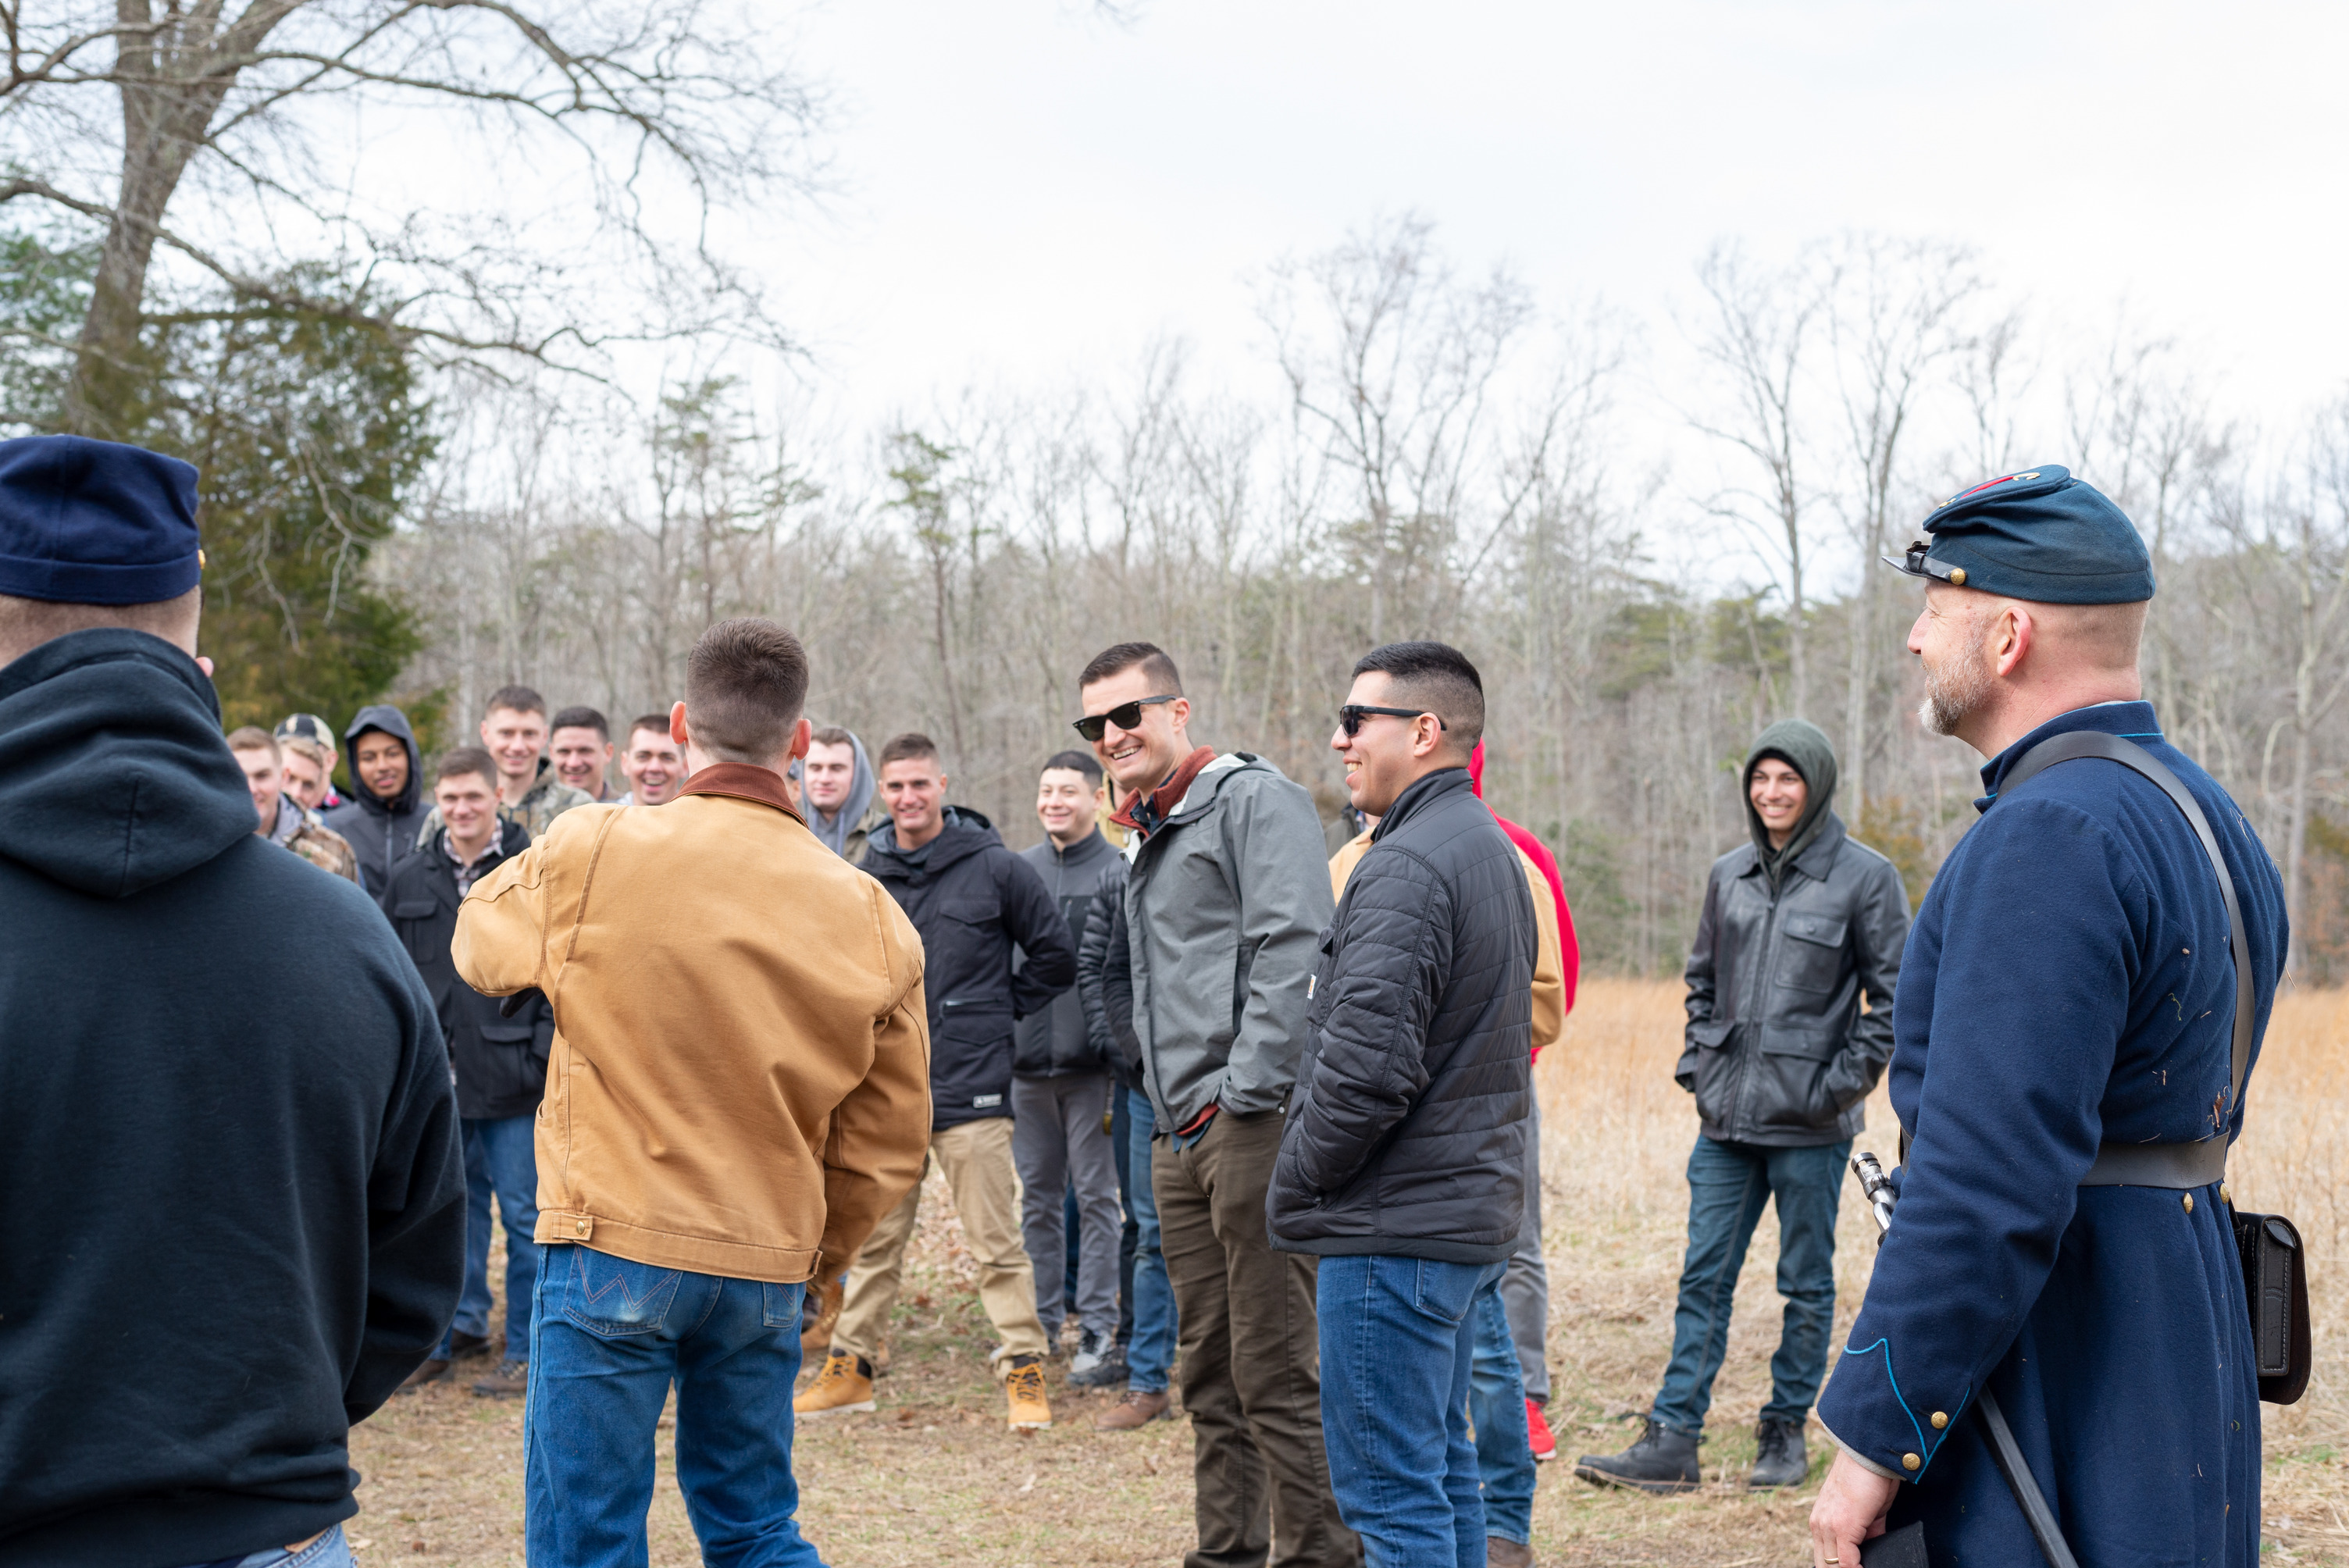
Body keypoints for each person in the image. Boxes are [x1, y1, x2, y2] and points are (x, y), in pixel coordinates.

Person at [0, 433, 463, 1567]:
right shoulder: (342, 935)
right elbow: (412, 1275)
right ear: (194, 653)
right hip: (271, 1524)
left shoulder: (345, 928)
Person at [1809, 469, 2287, 1568]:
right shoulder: (2198, 806)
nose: (1918, 640)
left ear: (2011, 636)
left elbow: (1987, 1182)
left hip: (2073, 1343)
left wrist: (1877, 1437)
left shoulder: (2049, 835)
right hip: (2178, 1312)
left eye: (1936, 609)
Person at [454, 617, 932, 1568]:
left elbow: (478, 947)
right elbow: (886, 1138)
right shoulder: (870, 913)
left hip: (613, 1238)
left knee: (587, 1538)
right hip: (764, 1256)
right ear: (798, 742)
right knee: (757, 1530)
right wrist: (816, 1259)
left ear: (681, 727)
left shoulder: (592, 845)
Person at [1579, 718, 1909, 1496]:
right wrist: (1702, 1065)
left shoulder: (1863, 877)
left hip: (1811, 1126)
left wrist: (1834, 1087)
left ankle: (1783, 1431)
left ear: (1814, 784)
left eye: (1786, 779)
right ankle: (1672, 1437)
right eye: (1759, 779)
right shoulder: (1727, 873)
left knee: (1803, 1283)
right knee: (1702, 1278)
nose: (1770, 793)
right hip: (1725, 1124)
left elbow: (1893, 1000)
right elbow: (1698, 981)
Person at [1081, 640, 1357, 1568]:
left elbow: (1293, 945)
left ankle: (1319, 1551)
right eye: (1095, 725)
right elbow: (1137, 978)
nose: (1112, 735)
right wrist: (1162, 1098)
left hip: (1249, 1127)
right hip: (1176, 1132)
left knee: (1275, 1366)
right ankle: (1226, 1550)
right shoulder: (1143, 830)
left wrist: (1245, 1095)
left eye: (1129, 715)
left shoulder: (1250, 798)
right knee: (1206, 1367)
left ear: (1178, 710)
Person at [1267, 641, 1535, 1568]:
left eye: (1354, 721)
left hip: (1392, 1227)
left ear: (1423, 732)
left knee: (1389, 1499)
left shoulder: (1407, 863)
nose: (1336, 740)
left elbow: (1364, 1073)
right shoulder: (1481, 845)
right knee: (1439, 1470)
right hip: (1446, 1220)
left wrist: (1293, 1180)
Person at [1325, 739, 1567, 1568]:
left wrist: (1451, 1058)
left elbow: (1541, 1000)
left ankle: (1510, 1520)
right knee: (1426, 1444)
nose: (1343, 745)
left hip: (1449, 1151)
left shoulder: (1505, 855)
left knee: (1479, 1361)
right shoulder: (1347, 863)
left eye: (1360, 724)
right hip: (1398, 1168)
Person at [797, 732, 1078, 1431]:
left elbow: (1053, 956)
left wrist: (994, 1012)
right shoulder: (869, 869)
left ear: (943, 784)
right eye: (895, 787)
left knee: (995, 1244)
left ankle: (1023, 1367)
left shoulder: (996, 867)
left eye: (920, 784)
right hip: (887, 1094)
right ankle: (851, 1370)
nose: (907, 798)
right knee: (873, 1242)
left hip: (973, 1090)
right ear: (882, 792)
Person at [383, 748, 551, 1400]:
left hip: (512, 1076)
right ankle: (455, 1332)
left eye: (473, 798)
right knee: (449, 1217)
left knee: (522, 1216)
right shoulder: (408, 878)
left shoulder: (533, 870)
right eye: (450, 799)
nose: (461, 810)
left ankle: (527, 1349)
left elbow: (555, 970)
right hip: (439, 1079)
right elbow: (393, 972)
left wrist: (537, 1057)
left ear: (495, 798)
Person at [1011, 749, 1128, 1384]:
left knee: (1098, 1200)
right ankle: (1041, 1320)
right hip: (1026, 1070)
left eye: (1068, 791)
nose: (1055, 801)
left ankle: (1099, 1327)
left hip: (1094, 1074)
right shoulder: (1016, 872)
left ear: (1095, 799)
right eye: (1046, 790)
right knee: (1038, 1202)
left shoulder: (1117, 869)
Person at [1079, 885, 1179, 1432]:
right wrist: (1133, 1056)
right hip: (1143, 1084)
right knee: (1149, 1233)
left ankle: (1239, 1379)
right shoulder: (1125, 870)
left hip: (1227, 1078)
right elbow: (1105, 972)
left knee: (1233, 1234)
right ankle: (1149, 1381)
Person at [418, 684, 594, 847]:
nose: (517, 746)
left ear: (544, 736)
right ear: (485, 733)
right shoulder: (451, 815)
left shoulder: (577, 808)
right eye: (506, 733)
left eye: (529, 733)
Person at [228, 725, 362, 882]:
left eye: (262, 776)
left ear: (282, 776)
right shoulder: (205, 844)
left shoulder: (333, 852)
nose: (251, 788)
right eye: (240, 776)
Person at [324, 703, 430, 897]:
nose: (382, 766)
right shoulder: (334, 828)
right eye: (368, 758)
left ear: (410, 756)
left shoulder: (436, 822)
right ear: (356, 765)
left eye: (392, 754)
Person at [802, 723, 887, 862]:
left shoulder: (888, 836)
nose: (824, 779)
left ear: (857, 774)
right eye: (816, 768)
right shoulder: (786, 833)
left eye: (837, 768)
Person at [274, 711, 344, 812]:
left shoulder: (352, 821)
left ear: (330, 760)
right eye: (286, 777)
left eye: (308, 749)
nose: (296, 794)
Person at [615, 711, 687, 805]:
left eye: (667, 758)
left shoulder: (701, 818)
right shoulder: (603, 818)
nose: (654, 768)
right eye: (643, 757)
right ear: (625, 763)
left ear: (685, 766)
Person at [549, 705, 618, 800]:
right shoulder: (531, 812)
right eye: (564, 752)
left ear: (608, 752)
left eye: (585, 751)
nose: (573, 763)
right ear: (551, 753)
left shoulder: (626, 812)